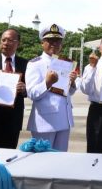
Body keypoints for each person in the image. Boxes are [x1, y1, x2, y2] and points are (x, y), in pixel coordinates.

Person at [26, 23, 78, 152]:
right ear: (42, 43)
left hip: (64, 119)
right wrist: (47, 83)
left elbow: (68, 92)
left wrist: (72, 83)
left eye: (58, 41)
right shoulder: (35, 64)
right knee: (42, 162)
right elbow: (31, 93)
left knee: (60, 161)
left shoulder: (65, 63)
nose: (54, 43)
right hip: (45, 121)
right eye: (50, 40)